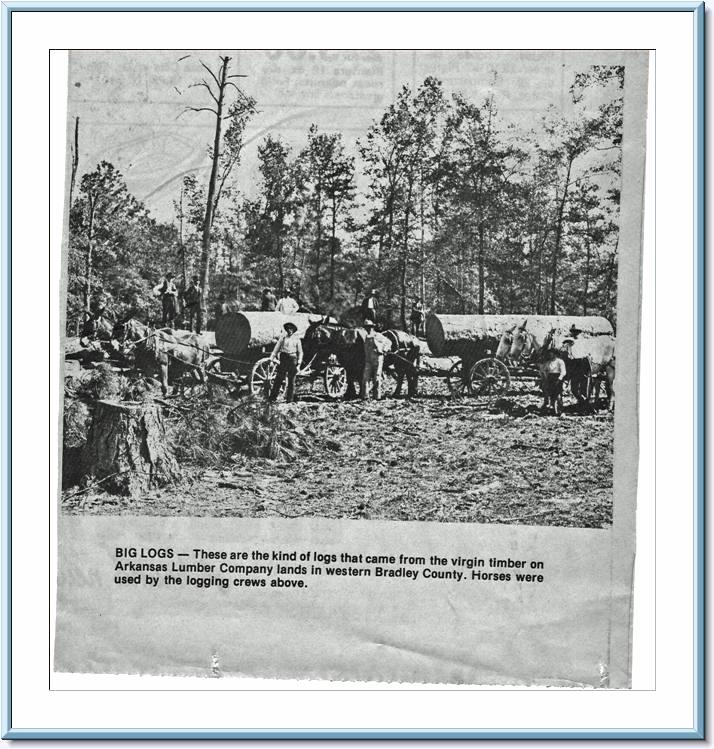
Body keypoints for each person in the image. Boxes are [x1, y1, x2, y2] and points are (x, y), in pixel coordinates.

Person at [269, 322, 303, 403]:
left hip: (292, 359)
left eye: (291, 329)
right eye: (288, 329)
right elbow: (276, 349)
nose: (290, 330)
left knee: (291, 381)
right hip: (284, 358)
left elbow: (300, 352)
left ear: (294, 330)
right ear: (287, 330)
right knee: (279, 378)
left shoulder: (297, 339)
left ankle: (289, 400)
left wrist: (298, 364)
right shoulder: (283, 338)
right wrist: (271, 359)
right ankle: (272, 398)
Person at [361, 319, 389, 400]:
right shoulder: (366, 337)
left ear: (372, 327)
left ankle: (377, 396)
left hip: (377, 359)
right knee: (365, 378)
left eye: (369, 327)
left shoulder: (378, 335)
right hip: (368, 360)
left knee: (376, 378)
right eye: (366, 327)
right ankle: (365, 396)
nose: (368, 329)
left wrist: (383, 350)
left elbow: (388, 342)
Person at [539, 348, 567, 413]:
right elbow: (543, 369)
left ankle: (559, 408)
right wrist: (544, 375)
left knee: (557, 393)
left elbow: (563, 371)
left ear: (555, 354)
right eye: (549, 354)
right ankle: (552, 408)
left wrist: (559, 378)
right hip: (550, 377)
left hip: (557, 377)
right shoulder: (548, 362)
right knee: (550, 393)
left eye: (551, 353)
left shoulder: (560, 361)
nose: (550, 355)